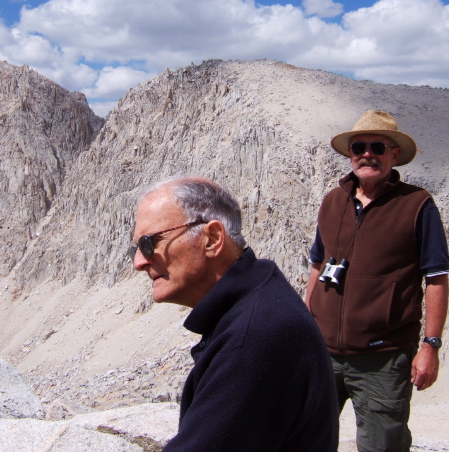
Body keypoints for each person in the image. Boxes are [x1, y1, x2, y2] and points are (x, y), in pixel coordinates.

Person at [131, 176, 339, 452]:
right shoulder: (259, 299)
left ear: (212, 239)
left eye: (149, 243)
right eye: (136, 248)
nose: (139, 262)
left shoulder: (255, 338)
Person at [305, 110, 449, 452]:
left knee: (383, 445)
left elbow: (436, 279)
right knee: (304, 438)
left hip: (382, 358)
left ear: (394, 154)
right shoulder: (332, 201)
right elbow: (317, 266)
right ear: (350, 153)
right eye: (359, 146)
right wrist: (303, 325)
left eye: (378, 147)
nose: (367, 153)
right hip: (323, 353)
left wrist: (430, 346)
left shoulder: (417, 205)